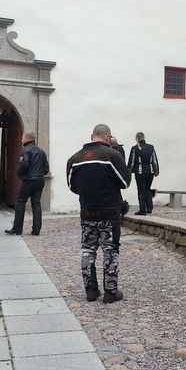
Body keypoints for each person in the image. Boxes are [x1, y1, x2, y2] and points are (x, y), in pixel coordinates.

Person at [66, 123, 131, 303]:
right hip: (109, 212)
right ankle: (111, 292)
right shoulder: (112, 155)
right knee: (110, 250)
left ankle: (91, 290)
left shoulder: (75, 158)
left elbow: (72, 186)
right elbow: (125, 183)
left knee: (88, 250)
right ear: (108, 137)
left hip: (87, 211)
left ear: (91, 136)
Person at [5, 131, 50, 236]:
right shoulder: (41, 152)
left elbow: (24, 165)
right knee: (36, 204)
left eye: (22, 138)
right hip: (39, 180)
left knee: (20, 202)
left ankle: (17, 229)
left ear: (27, 139)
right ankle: (36, 230)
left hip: (29, 180)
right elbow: (46, 168)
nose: (21, 140)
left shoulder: (25, 150)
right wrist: (39, 174)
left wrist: (19, 173)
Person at [127, 132, 159, 215]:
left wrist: (128, 172)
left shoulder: (135, 148)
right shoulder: (151, 147)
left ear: (136, 138)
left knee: (141, 190)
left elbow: (132, 161)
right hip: (150, 171)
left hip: (140, 172)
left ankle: (142, 209)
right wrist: (156, 171)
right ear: (144, 137)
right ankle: (149, 208)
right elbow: (154, 160)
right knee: (147, 189)